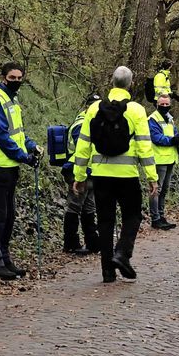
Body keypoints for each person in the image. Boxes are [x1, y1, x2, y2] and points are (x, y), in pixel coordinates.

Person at [71, 66, 159, 283]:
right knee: (133, 215)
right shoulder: (137, 110)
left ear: (112, 82)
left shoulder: (93, 109)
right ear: (130, 84)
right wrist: (151, 176)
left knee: (105, 221)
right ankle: (122, 253)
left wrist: (79, 176)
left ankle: (107, 272)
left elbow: (82, 146)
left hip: (101, 175)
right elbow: (144, 147)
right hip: (127, 175)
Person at [0, 62, 41, 280]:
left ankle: (4, 258)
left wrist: (32, 146)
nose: (16, 81)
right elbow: (1, 136)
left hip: (9, 167)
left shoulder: (12, 101)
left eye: (19, 78)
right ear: (3, 77)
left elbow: (19, 133)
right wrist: (24, 156)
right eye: (12, 78)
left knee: (9, 216)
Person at [61, 93, 101, 255]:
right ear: (87, 107)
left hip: (91, 171)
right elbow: (82, 151)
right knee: (75, 206)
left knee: (89, 207)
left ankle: (92, 241)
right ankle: (70, 242)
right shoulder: (81, 125)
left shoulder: (95, 123)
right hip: (77, 171)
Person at [148, 94, 179, 230]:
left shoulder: (170, 118)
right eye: (162, 104)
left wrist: (178, 139)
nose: (164, 106)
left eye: (167, 104)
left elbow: (174, 133)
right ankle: (155, 218)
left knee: (164, 190)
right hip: (159, 159)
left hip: (170, 158)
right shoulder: (152, 119)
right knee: (156, 189)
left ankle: (161, 216)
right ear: (157, 104)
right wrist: (172, 140)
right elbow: (156, 137)